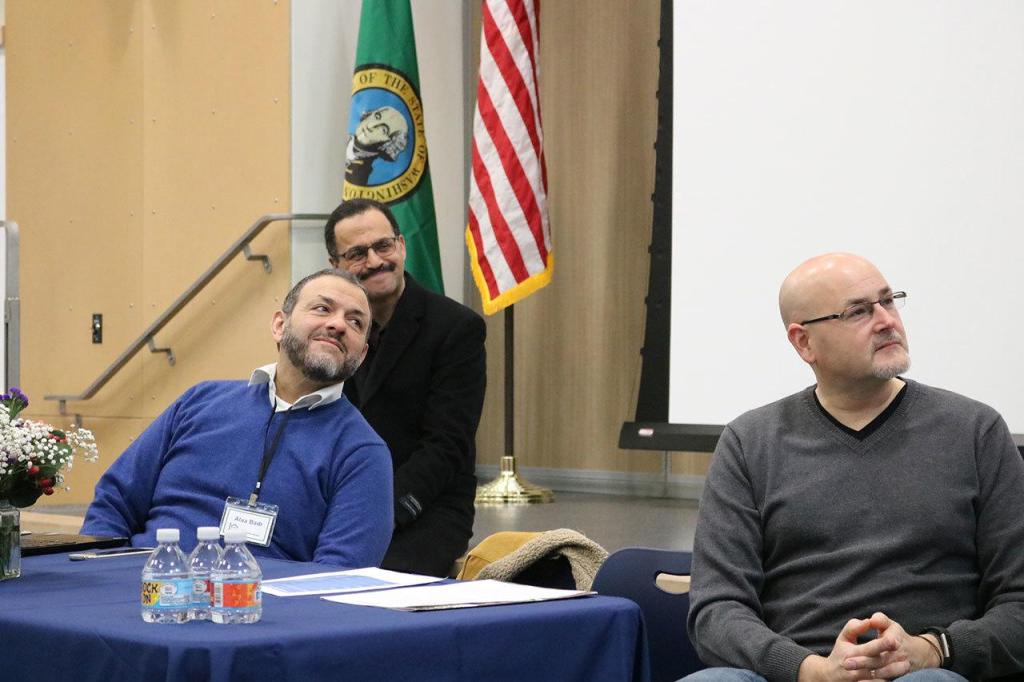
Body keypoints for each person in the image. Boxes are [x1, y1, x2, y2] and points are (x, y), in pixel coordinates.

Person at [686, 253, 1024, 682]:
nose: (886, 320)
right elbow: (716, 611)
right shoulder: (750, 442)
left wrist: (931, 650)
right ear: (803, 342)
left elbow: (1018, 603)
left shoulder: (975, 431)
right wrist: (809, 669)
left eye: (889, 301)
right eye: (859, 311)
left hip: (928, 669)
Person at [81, 269, 394, 568]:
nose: (339, 325)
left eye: (355, 322)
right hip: (145, 593)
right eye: (323, 308)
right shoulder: (199, 402)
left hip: (259, 614)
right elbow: (113, 503)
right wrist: (103, 580)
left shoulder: (362, 452)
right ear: (279, 325)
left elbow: (337, 579)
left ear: (362, 354)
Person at [325, 198, 486, 577]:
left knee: (370, 584)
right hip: (342, 500)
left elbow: (447, 445)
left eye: (384, 246)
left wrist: (378, 510)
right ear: (336, 266)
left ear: (402, 245)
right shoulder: (330, 330)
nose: (376, 261)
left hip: (423, 508)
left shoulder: (456, 328)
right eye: (358, 253)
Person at [344, 106, 410, 185]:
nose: (372, 125)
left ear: (387, 143)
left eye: (383, 130)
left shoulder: (362, 172)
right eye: (377, 116)